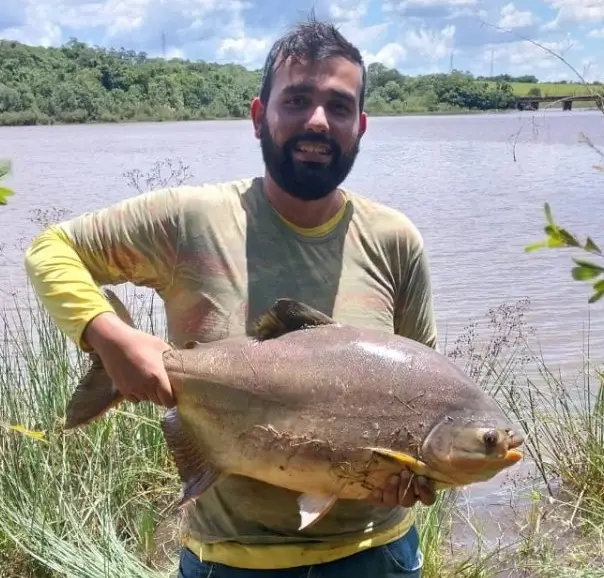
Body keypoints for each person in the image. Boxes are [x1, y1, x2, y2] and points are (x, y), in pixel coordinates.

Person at [24, 16, 439, 578]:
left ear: (360, 127)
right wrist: (110, 334)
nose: (318, 120)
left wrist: (420, 475)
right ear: (258, 116)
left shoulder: (394, 240)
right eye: (296, 100)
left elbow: (429, 393)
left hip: (378, 556)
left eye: (339, 107)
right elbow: (52, 249)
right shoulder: (191, 219)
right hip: (227, 560)